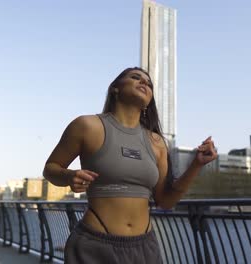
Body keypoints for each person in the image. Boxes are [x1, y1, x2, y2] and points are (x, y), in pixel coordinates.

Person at [43, 67, 218, 263]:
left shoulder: (157, 142)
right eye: (136, 78)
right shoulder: (87, 126)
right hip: (95, 246)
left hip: (145, 248)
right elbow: (51, 168)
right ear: (115, 89)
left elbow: (166, 201)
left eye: (149, 84)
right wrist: (69, 176)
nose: (144, 83)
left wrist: (196, 165)